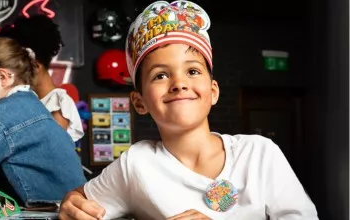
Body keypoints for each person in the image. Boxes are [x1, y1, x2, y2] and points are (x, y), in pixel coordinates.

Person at [59, 1, 319, 219]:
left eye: (193, 71)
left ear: (213, 91)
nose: (179, 83)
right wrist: (72, 201)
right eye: (160, 75)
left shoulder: (259, 154)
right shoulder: (137, 164)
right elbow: (81, 200)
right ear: (140, 102)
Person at [0, 37, 86, 206]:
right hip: (74, 205)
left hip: (51, 211)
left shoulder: (4, 114)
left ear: (3, 76)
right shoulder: (34, 106)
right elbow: (22, 176)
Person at [0, 14, 84, 142]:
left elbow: (48, 150)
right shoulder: (23, 101)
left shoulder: (58, 104)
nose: (9, 77)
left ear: (34, 66)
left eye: (13, 69)